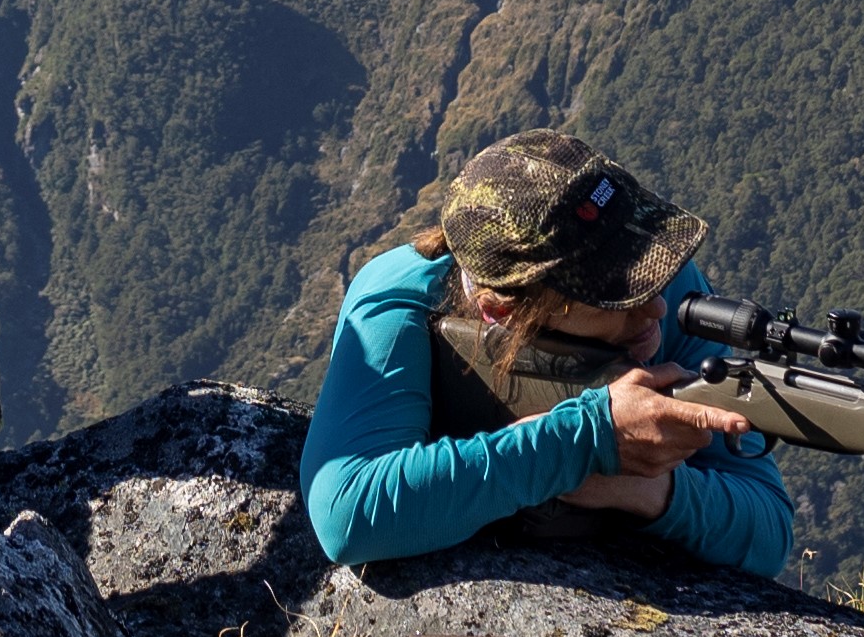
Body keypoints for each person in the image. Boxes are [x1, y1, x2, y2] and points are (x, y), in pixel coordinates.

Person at [300, 128, 794, 573]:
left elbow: (769, 533)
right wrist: (585, 441)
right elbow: (347, 514)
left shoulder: (670, 284)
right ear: (503, 311)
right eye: (614, 296)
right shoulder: (401, 299)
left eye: (644, 273)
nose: (656, 310)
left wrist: (652, 489)